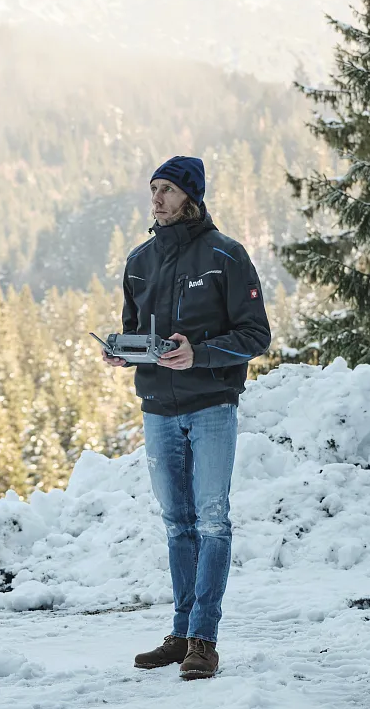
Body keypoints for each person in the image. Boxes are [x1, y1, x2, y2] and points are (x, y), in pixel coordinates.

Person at [102, 155, 271, 680]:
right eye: (153, 189)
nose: (156, 199)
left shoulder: (227, 255)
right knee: (178, 526)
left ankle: (204, 640)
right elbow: (135, 329)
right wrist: (123, 351)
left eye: (167, 190)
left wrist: (199, 354)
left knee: (213, 522)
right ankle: (179, 635)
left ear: (191, 197)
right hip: (157, 410)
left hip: (212, 406)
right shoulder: (139, 260)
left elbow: (255, 337)